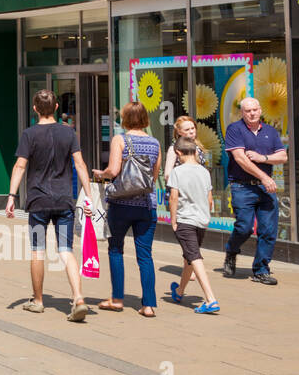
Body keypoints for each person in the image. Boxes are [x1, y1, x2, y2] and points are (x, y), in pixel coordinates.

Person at [7, 89, 95, 322]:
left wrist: (11, 196)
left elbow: (20, 166)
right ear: (57, 108)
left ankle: (38, 301)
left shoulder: (29, 134)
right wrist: (89, 196)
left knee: (38, 250)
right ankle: (78, 298)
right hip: (64, 200)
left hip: (38, 202)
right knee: (66, 250)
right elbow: (80, 165)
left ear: (34, 109)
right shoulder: (69, 133)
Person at [92, 102, 161, 316]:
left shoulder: (120, 140)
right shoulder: (155, 143)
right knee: (145, 255)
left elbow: (113, 170)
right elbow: (154, 176)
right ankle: (148, 305)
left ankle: (117, 299)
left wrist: (100, 174)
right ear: (144, 118)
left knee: (115, 249)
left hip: (121, 204)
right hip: (146, 205)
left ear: (125, 118)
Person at [222, 96, 287, 285]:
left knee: (268, 230)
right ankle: (232, 251)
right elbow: (241, 159)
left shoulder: (270, 131)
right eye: (248, 111)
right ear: (242, 113)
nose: (252, 113)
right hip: (242, 187)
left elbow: (282, 156)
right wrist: (265, 176)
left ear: (260, 110)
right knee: (244, 227)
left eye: (255, 110)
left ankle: (261, 270)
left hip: (265, 189)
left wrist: (263, 158)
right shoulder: (235, 129)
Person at [166, 138, 221, 314]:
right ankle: (180, 291)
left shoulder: (177, 172)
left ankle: (210, 298)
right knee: (190, 256)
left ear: (178, 153)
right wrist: (206, 215)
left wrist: (173, 220)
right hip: (201, 220)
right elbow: (210, 199)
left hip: (185, 219)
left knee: (194, 257)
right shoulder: (204, 172)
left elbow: (173, 197)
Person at [163, 115, 210, 181]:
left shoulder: (198, 146)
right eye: (187, 130)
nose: (191, 132)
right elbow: (167, 175)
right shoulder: (174, 149)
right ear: (179, 132)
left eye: (193, 128)